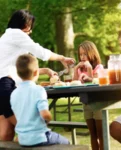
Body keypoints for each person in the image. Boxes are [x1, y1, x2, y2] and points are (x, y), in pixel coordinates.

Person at [0, 9, 75, 141]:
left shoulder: (7, 37)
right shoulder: (17, 34)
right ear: (27, 25)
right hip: (6, 86)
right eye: (30, 27)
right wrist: (61, 58)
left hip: (3, 86)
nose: (31, 31)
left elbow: (21, 69)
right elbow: (41, 52)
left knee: (5, 133)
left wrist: (45, 70)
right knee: (29, 132)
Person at [10, 54, 70, 146]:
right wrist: (48, 118)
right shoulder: (39, 90)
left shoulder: (14, 93)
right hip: (40, 137)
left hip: (22, 139)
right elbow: (45, 114)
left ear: (18, 73)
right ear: (36, 72)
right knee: (67, 143)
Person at [73, 41, 104, 150]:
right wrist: (75, 69)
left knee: (101, 134)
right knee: (93, 134)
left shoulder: (99, 68)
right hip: (86, 103)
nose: (82, 57)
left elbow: (94, 84)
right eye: (80, 54)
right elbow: (74, 83)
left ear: (92, 53)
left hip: (99, 104)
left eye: (85, 54)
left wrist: (90, 69)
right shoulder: (81, 70)